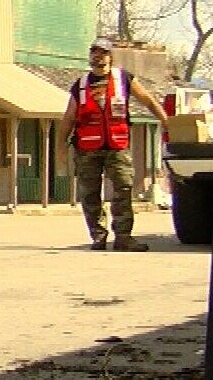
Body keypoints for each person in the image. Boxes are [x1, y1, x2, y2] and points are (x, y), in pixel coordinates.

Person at [66, 39, 167, 251]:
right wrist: (59, 147)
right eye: (94, 52)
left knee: (123, 189)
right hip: (87, 149)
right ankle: (98, 236)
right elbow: (69, 117)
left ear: (111, 56)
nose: (98, 56)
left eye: (103, 52)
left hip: (117, 145)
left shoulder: (123, 79)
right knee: (90, 193)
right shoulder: (81, 84)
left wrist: (167, 123)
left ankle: (123, 237)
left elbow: (148, 100)